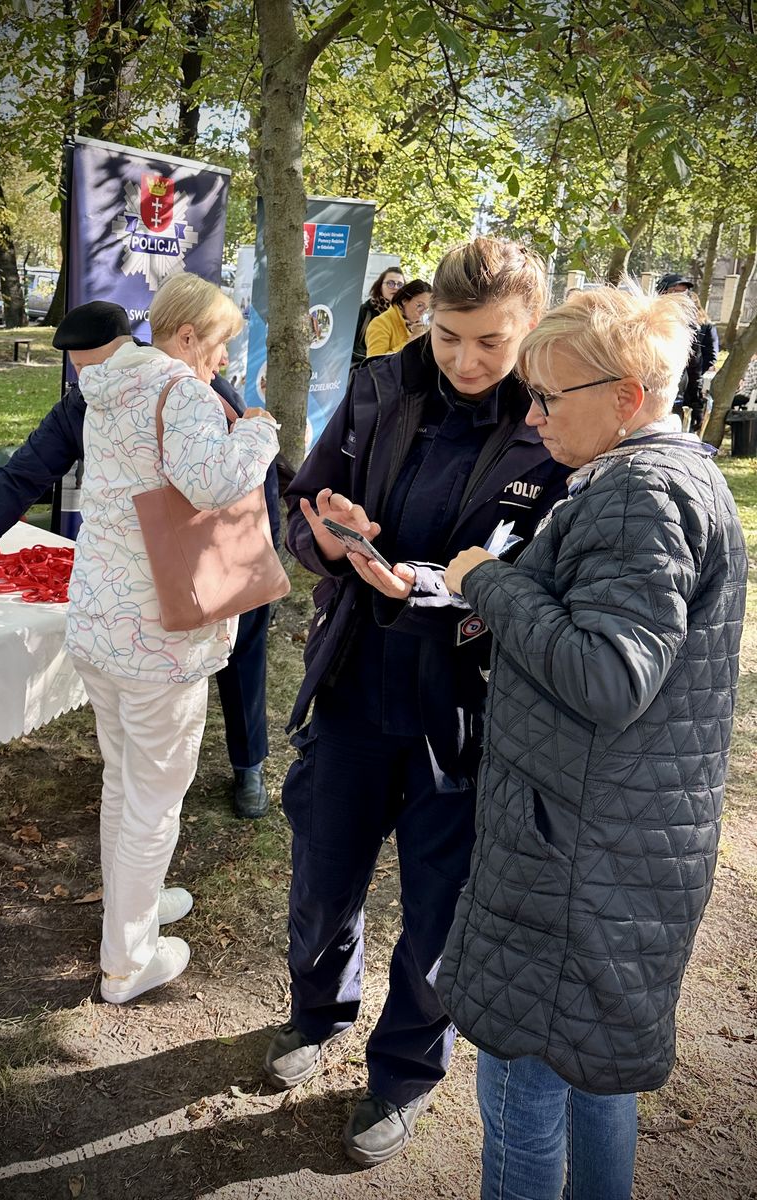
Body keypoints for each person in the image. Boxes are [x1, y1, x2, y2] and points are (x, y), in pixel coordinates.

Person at [264, 237, 572, 1166]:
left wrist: (435, 588)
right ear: (424, 317)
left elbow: (551, 577)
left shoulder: (556, 422)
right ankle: (317, 1015)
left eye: (491, 343)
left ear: (530, 328)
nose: (466, 362)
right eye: (447, 337)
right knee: (323, 877)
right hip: (357, 679)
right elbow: (303, 510)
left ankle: (402, 1074)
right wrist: (329, 539)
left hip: (471, 707)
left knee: (441, 909)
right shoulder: (378, 387)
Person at [438, 283, 747, 1200]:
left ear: (626, 397)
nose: (532, 418)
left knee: (524, 1085)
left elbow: (608, 677)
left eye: (547, 397)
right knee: (589, 1071)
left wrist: (488, 582)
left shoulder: (641, 495)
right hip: (610, 836)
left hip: (575, 851)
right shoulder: (669, 476)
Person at [63, 279, 279, 1004]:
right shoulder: (179, 390)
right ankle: (128, 960)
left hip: (102, 617)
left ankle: (134, 908)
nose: (220, 361)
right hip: (157, 632)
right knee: (153, 797)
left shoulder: (105, 385)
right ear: (186, 335)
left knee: (124, 779)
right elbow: (214, 483)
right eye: (217, 345)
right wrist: (260, 429)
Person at [0, 300, 278, 821]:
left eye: (89, 366)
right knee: (143, 783)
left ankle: (248, 764)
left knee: (244, 657)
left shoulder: (201, 390)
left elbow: (252, 489)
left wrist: (260, 564)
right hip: (144, 606)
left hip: (218, 563)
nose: (87, 379)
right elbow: (22, 476)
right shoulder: (90, 397)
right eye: (78, 371)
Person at [655, 274, 718, 433]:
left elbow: (694, 366)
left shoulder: (689, 328)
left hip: (674, 397)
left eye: (684, 293)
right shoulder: (644, 320)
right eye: (675, 292)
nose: (681, 298)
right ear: (662, 293)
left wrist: (696, 405)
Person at [364, 279, 432, 358]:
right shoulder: (380, 323)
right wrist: (412, 341)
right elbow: (374, 362)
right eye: (419, 305)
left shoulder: (419, 327)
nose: (422, 312)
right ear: (404, 300)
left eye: (426, 308)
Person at [351, 266, 405, 366]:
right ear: (380, 285)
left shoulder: (407, 316)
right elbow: (349, 345)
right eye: (390, 283)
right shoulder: (365, 311)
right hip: (366, 368)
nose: (395, 288)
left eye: (400, 285)